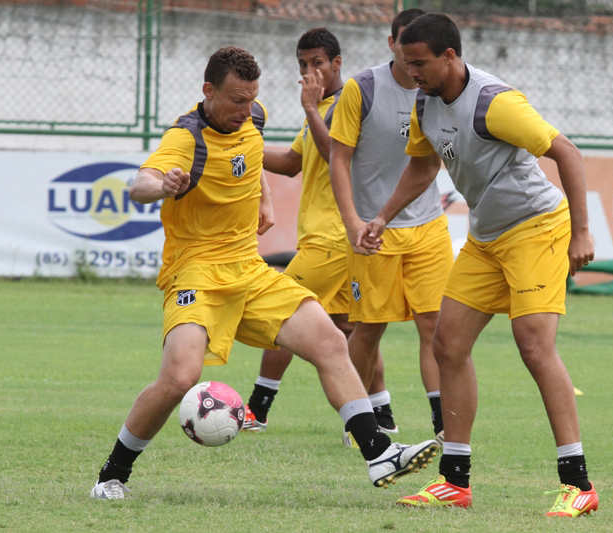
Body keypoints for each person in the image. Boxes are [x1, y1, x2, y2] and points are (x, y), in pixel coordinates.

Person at [89, 46, 438, 500]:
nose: (244, 109)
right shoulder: (185, 138)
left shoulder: (254, 116)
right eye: (235, 99)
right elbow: (139, 185)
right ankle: (112, 475)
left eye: (251, 98)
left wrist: (264, 200)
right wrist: (163, 185)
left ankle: (378, 453)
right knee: (179, 378)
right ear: (207, 91)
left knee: (330, 341)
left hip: (249, 271)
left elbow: (250, 159)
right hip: (195, 274)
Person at [356, 13, 597, 514]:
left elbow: (567, 154)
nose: (411, 73)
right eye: (405, 63)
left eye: (419, 63)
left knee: (534, 345)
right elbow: (423, 165)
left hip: (537, 228)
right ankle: (455, 481)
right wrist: (382, 216)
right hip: (486, 236)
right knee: (448, 344)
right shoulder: (425, 101)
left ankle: (579, 484)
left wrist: (582, 231)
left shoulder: (494, 103)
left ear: (449, 56)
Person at [242, 28, 400, 439]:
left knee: (282, 310)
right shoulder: (321, 106)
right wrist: (241, 141)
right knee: (350, 328)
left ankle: (258, 408)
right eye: (302, 64)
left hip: (334, 236)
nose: (309, 71)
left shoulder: (346, 103)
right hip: (329, 239)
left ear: (336, 63)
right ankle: (381, 414)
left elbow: (338, 158)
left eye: (317, 63)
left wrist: (311, 110)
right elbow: (294, 161)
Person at [328, 8, 451, 446]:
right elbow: (337, 159)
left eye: (421, 57)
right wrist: (352, 222)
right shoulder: (362, 88)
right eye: (405, 51)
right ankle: (357, 419)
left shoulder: (438, 90)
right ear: (391, 44)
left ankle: (443, 423)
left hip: (429, 224)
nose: (413, 63)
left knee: (435, 326)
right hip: (373, 232)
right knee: (369, 328)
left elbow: (434, 161)